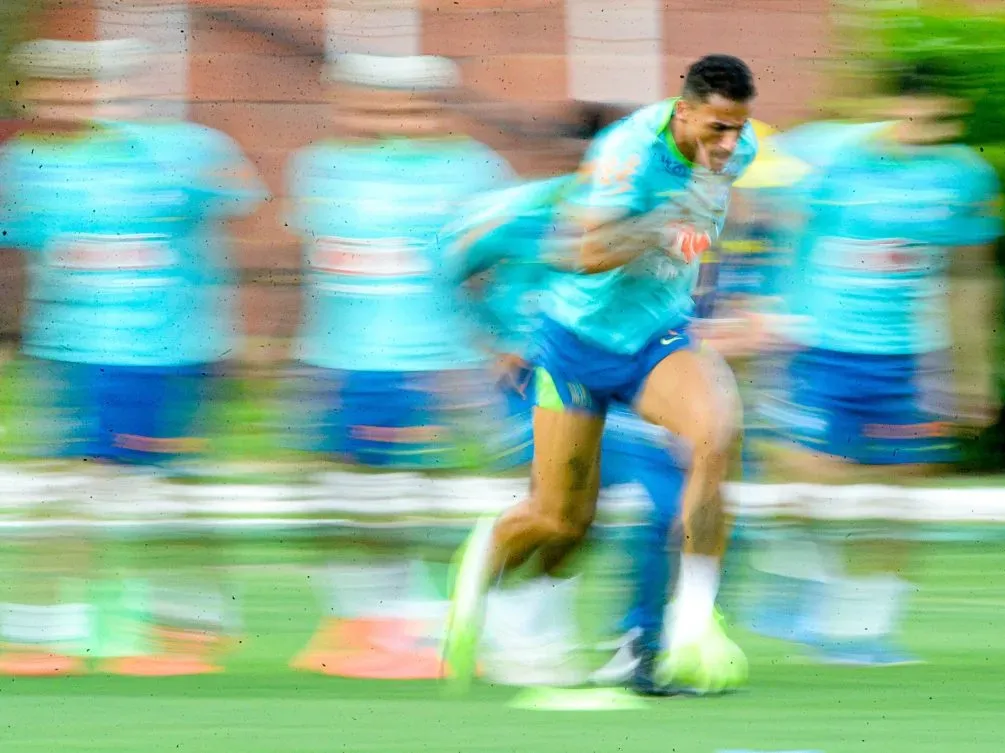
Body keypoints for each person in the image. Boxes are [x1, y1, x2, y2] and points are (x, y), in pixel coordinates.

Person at [444, 54, 759, 694]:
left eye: (738, 129)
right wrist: (658, 225)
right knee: (559, 519)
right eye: (717, 129)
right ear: (685, 111)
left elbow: (709, 229)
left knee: (714, 436)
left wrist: (710, 277)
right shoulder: (625, 155)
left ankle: (690, 624)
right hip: (575, 347)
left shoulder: (739, 148)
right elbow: (583, 254)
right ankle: (485, 559)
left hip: (656, 338)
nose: (730, 143)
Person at [0, 36, 265, 676]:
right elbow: (23, 246)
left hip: (166, 354)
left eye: (80, 87)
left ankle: (191, 631)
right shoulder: (25, 161)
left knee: (163, 494)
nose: (65, 101)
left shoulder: (181, 148)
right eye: (49, 87)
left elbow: (240, 210)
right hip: (69, 351)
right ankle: (43, 635)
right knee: (64, 488)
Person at [751, 62, 1004, 664]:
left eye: (939, 115)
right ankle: (796, 582)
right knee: (811, 479)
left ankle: (864, 627)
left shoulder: (964, 176)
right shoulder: (822, 155)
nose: (923, 123)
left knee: (899, 490)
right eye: (912, 109)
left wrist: (973, 373)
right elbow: (762, 224)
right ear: (882, 104)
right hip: (822, 347)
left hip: (909, 358)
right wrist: (765, 309)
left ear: (955, 117)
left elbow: (971, 273)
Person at [282, 53, 514, 680]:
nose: (393, 119)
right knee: (345, 498)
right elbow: (319, 264)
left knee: (435, 496)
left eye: (411, 107)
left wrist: (499, 342)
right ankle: (364, 623)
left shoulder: (475, 170)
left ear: (438, 110)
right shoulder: (319, 165)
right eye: (376, 105)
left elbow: (501, 266)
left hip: (444, 361)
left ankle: (445, 625)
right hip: (338, 359)